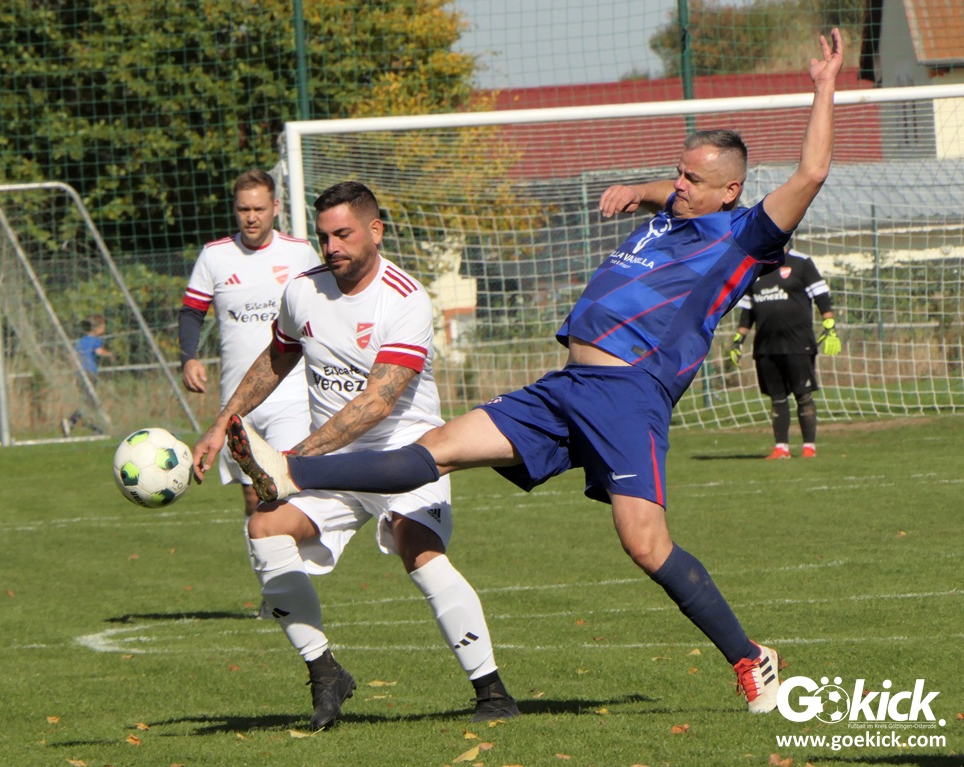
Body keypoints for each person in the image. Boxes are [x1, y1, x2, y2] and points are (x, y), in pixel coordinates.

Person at [219, 29, 844, 717]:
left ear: (731, 190)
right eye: (677, 172)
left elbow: (811, 173)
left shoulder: (744, 234)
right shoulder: (674, 211)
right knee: (436, 448)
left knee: (645, 544)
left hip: (629, 395)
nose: (677, 184)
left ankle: (751, 658)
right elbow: (664, 193)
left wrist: (822, 87)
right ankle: (291, 472)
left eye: (692, 179)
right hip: (566, 387)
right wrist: (638, 190)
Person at [192, 181, 519, 730]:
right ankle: (325, 673)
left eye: (343, 234)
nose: (332, 247)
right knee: (264, 528)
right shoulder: (303, 291)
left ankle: (492, 691)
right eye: (325, 237)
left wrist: (294, 461)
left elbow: (376, 403)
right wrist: (222, 423)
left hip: (406, 456)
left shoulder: (405, 297)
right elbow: (276, 358)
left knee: (419, 549)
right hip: (332, 463)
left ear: (376, 230)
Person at [179, 169, 319, 519]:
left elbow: (326, 306)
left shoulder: (300, 253)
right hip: (238, 399)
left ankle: (293, 553)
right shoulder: (215, 256)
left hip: (291, 394)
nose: (251, 217)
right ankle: (266, 555)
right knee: (253, 499)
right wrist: (188, 358)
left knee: (284, 490)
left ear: (275, 207)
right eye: (244, 209)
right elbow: (192, 312)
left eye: (259, 209)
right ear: (235, 209)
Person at [729, 242, 841, 459]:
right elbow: (747, 311)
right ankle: (781, 448)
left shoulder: (801, 263)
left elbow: (821, 296)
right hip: (766, 346)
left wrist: (830, 326)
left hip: (798, 343)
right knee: (777, 397)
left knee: (803, 395)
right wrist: (738, 340)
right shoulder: (756, 267)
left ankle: (809, 447)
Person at [62, 313, 112, 436]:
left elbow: (71, 355)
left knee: (88, 402)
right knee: (90, 402)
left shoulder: (81, 341)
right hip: (90, 373)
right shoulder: (96, 340)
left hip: (81, 374)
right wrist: (110, 354)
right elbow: (99, 351)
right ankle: (72, 421)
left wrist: (75, 369)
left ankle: (92, 426)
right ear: (97, 328)